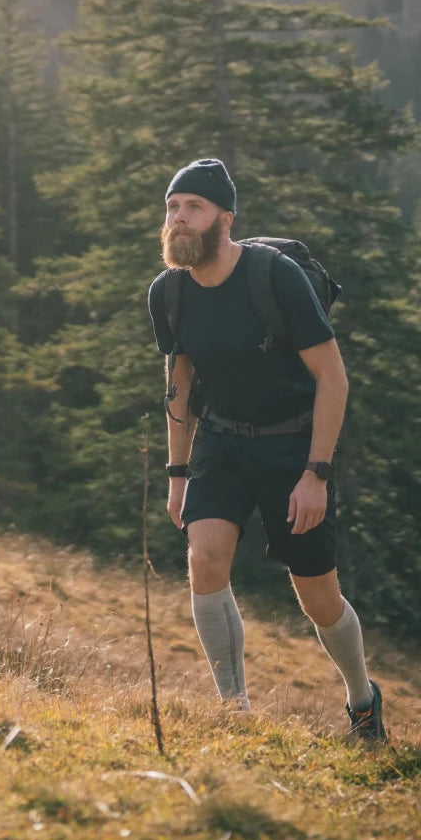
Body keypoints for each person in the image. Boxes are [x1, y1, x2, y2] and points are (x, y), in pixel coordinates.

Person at [148, 157, 387, 741]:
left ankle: (362, 698)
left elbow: (333, 378)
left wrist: (316, 473)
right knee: (204, 559)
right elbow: (179, 386)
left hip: (293, 447)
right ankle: (235, 709)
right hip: (222, 441)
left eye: (193, 208)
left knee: (318, 596)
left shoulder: (274, 277)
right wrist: (177, 473)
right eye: (172, 208)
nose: (179, 219)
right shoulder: (169, 293)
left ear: (223, 219)